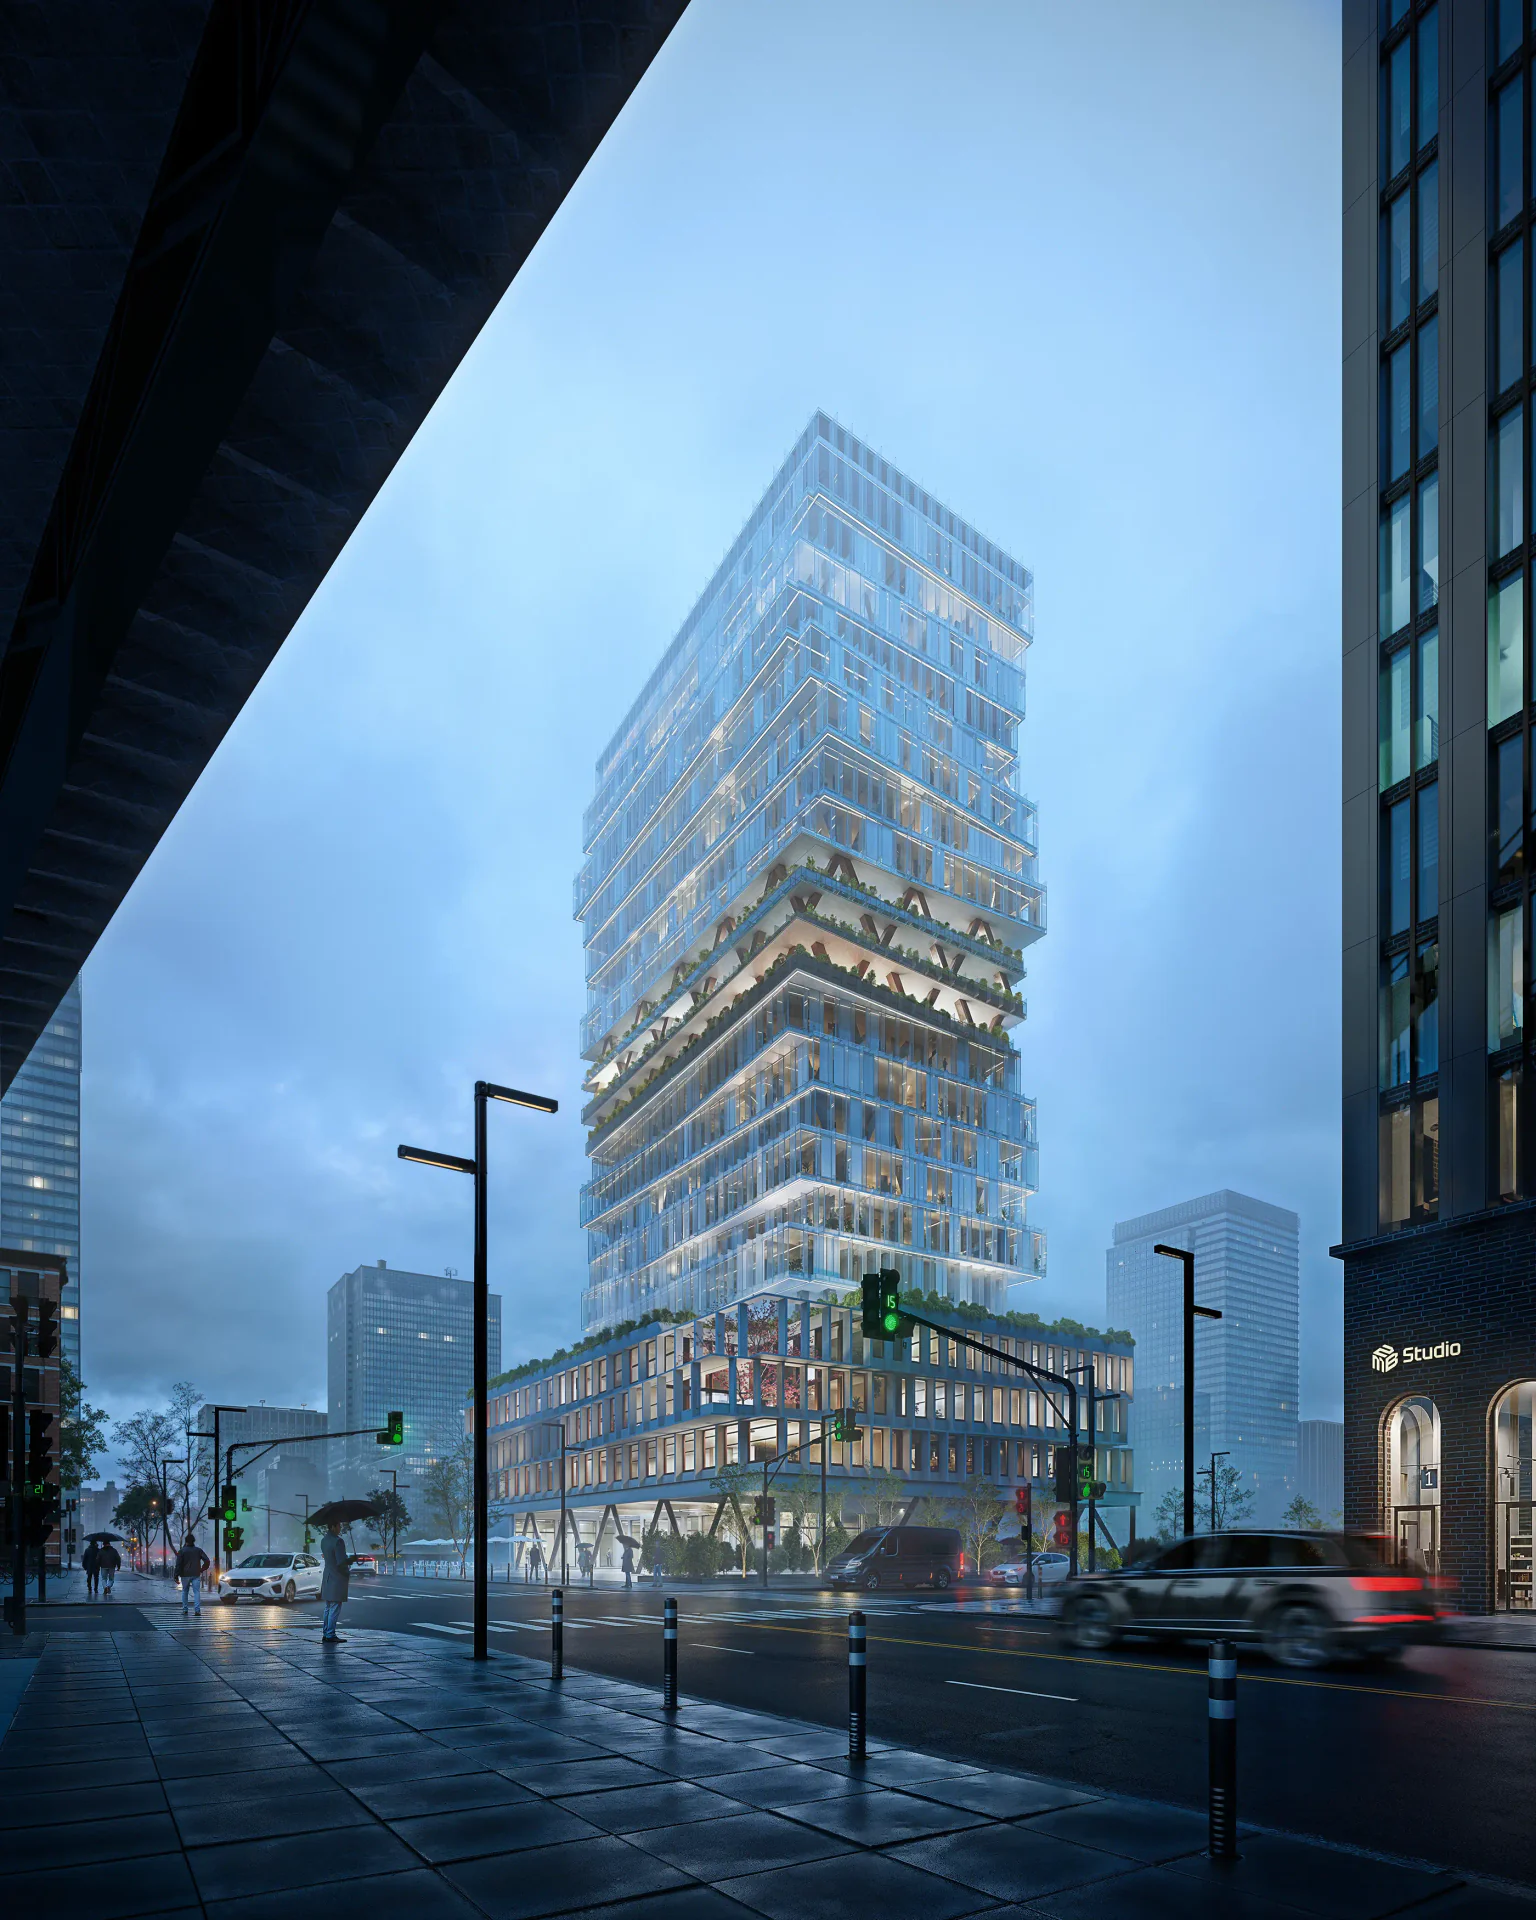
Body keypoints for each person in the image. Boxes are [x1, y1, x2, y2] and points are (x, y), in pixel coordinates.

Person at [319, 1519, 353, 1644]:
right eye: (339, 1526)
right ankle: (330, 1634)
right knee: (334, 1607)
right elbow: (341, 1562)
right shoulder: (338, 1541)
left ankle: (326, 1633)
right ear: (333, 1526)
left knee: (328, 1607)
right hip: (337, 1578)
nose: (340, 1528)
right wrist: (349, 1563)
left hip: (327, 1577)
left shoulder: (324, 1540)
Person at [175, 1533, 210, 1616]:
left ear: (186, 1541)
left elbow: (178, 1564)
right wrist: (202, 1569)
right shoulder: (198, 1550)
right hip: (196, 1573)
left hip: (185, 1574)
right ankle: (197, 1610)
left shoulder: (182, 1551)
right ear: (194, 1541)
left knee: (185, 1591)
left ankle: (185, 1609)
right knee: (196, 1592)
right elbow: (207, 1560)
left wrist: (176, 1575)